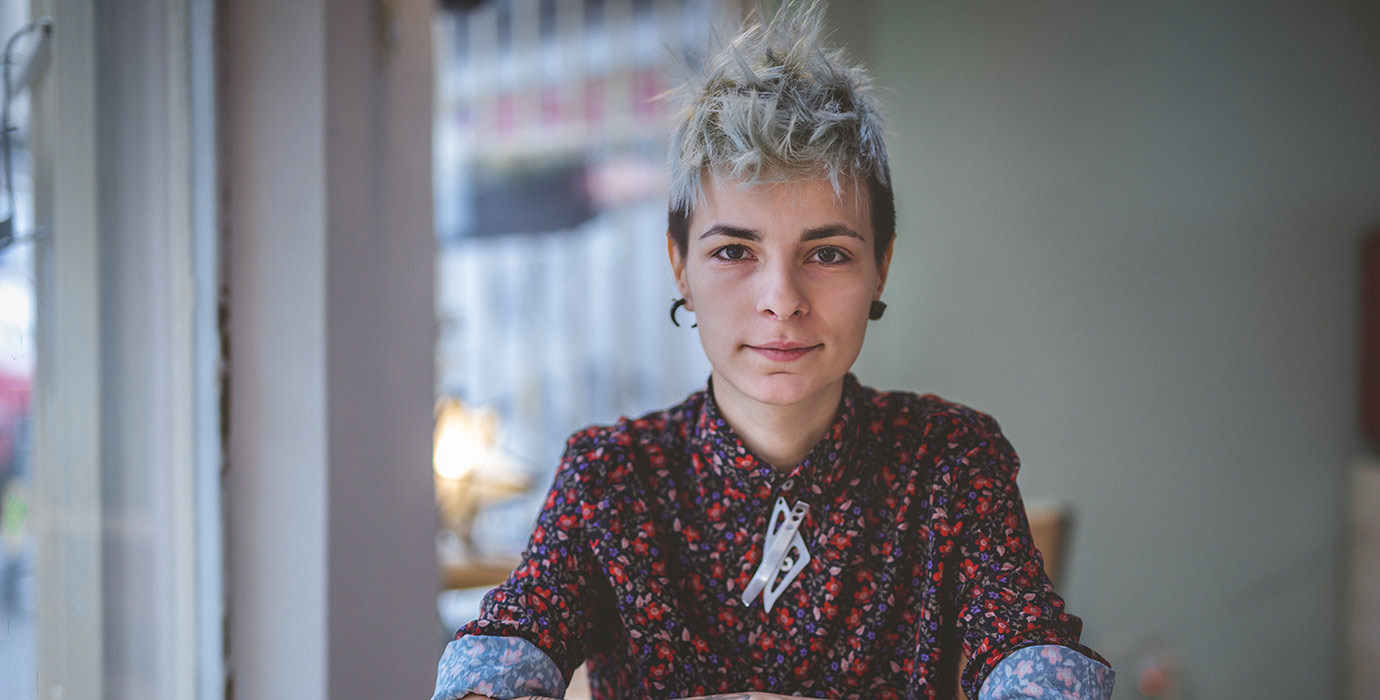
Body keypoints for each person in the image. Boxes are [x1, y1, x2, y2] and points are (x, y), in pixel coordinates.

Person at [431, 1, 1114, 698]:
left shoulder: (950, 460)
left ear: (881, 264)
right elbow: (511, 643)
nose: (781, 299)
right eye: (734, 250)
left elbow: (1030, 650)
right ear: (679, 267)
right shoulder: (611, 476)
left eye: (826, 252)